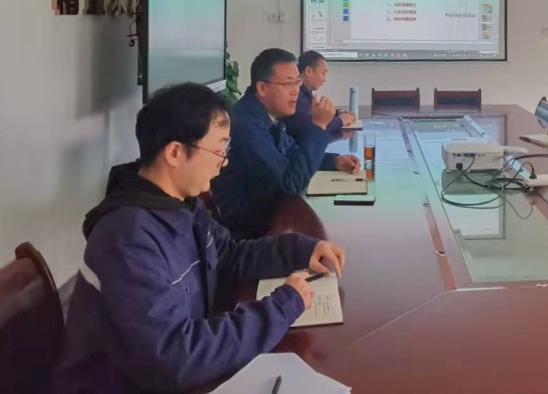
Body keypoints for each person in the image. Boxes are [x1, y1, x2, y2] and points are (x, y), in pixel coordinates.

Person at [52, 83, 347, 394]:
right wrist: (282, 307)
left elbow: (229, 255)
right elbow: (174, 358)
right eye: (219, 151)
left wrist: (302, 249)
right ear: (175, 153)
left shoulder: (182, 205)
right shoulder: (128, 238)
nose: (225, 162)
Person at [212, 49, 361, 238]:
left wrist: (333, 161)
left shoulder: (266, 113)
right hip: (245, 232)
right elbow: (290, 183)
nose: (295, 91)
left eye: (297, 83)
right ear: (262, 88)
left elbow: (291, 152)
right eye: (288, 84)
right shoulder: (246, 124)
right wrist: (319, 127)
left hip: (267, 216)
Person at [285, 50, 357, 137]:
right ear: (308, 71)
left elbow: (317, 114)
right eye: (323, 73)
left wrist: (338, 113)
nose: (324, 80)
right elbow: (311, 127)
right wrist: (341, 121)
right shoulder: (296, 95)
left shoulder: (306, 93)